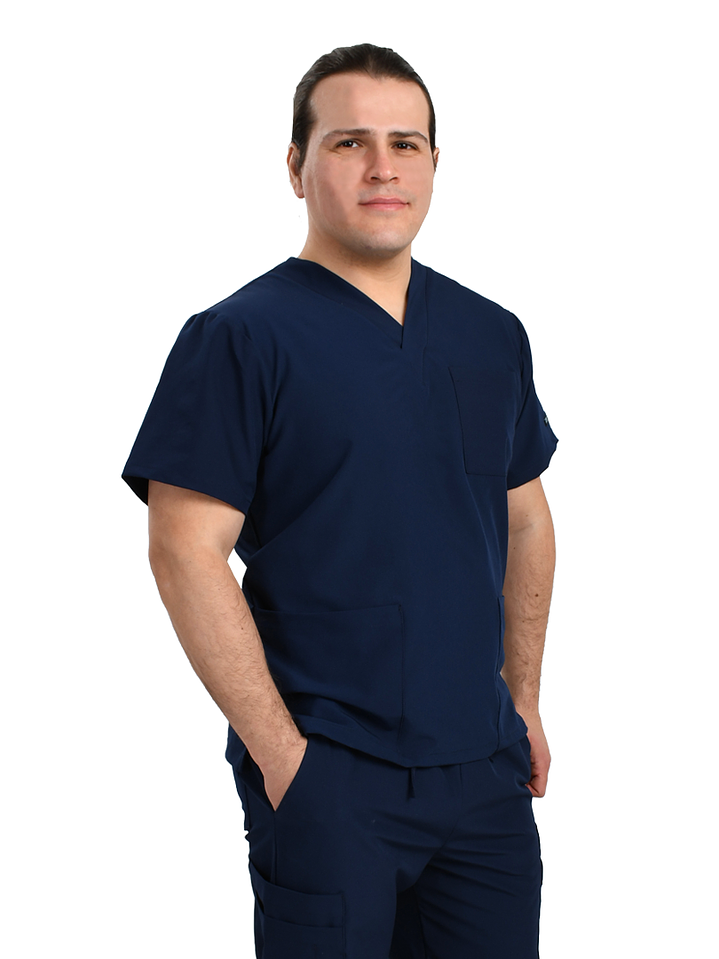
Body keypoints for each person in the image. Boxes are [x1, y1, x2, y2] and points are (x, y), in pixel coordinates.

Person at [123, 42, 558, 959]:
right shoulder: (238, 339)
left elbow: (525, 517)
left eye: (405, 144)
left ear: (433, 164)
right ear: (296, 167)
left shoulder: (490, 334)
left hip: (483, 777)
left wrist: (522, 701)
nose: (381, 167)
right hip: (331, 774)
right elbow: (184, 551)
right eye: (348, 142)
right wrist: (284, 757)